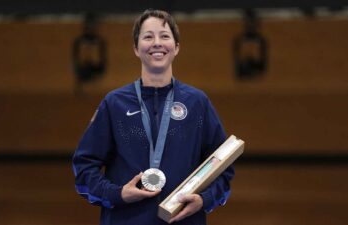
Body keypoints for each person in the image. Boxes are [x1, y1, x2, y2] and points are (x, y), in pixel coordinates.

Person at [72, 9, 235, 225]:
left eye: (165, 36)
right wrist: (117, 194)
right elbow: (84, 168)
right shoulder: (114, 104)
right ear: (136, 48)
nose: (157, 43)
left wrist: (204, 199)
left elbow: (223, 167)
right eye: (148, 36)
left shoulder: (197, 103)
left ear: (176, 47)